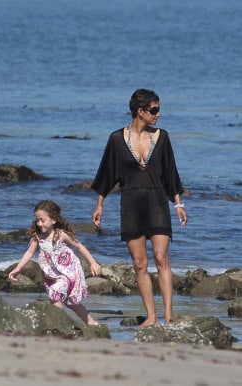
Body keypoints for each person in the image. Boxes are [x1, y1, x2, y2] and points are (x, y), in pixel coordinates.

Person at [91, 88, 187, 327]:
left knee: (161, 258)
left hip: (157, 203)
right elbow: (107, 172)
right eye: (154, 110)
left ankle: (168, 316)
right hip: (131, 205)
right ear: (140, 111)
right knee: (139, 263)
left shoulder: (162, 137)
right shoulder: (116, 139)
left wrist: (178, 203)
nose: (158, 114)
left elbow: (170, 173)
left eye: (158, 109)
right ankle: (151, 316)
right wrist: (99, 205)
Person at [9, 200, 102, 326]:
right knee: (70, 302)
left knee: (55, 293)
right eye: (37, 220)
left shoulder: (61, 234)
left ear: (53, 220)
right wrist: (18, 268)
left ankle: (58, 323)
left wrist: (92, 262)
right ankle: (91, 322)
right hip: (51, 273)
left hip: (68, 271)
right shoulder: (37, 236)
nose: (40, 223)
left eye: (43, 220)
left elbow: (80, 246)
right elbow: (29, 253)